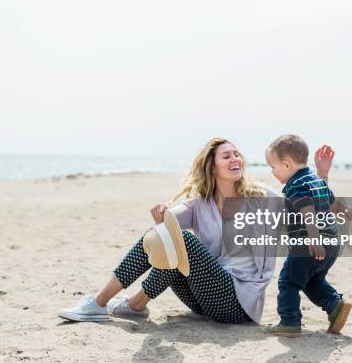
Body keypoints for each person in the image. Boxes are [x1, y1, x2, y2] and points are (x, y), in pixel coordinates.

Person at [58, 137, 334, 324]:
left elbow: (308, 203)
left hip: (240, 303)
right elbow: (169, 226)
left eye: (237, 154)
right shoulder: (199, 204)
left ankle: (111, 303)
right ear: (212, 166)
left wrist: (322, 176)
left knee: (182, 243)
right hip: (203, 301)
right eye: (226, 156)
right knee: (166, 237)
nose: (235, 158)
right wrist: (163, 212)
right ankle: (121, 304)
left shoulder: (262, 196)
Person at [263, 134, 351, 336]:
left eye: (272, 166)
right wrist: (346, 211)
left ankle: (290, 322)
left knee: (288, 282)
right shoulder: (316, 180)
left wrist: (313, 238)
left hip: (309, 245)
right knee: (312, 280)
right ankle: (335, 304)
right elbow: (331, 202)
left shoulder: (296, 186)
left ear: (286, 165)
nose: (271, 171)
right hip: (332, 244)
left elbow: (307, 211)